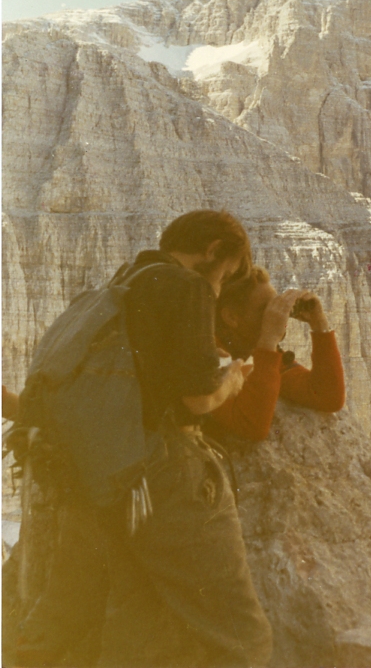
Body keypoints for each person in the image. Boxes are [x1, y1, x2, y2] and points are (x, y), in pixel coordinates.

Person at [5, 209, 275, 668]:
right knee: (240, 630)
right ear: (213, 251)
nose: (219, 286)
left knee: (72, 617)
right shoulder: (187, 286)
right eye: (227, 272)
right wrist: (232, 378)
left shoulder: (124, 283)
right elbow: (196, 398)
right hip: (160, 479)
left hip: (96, 476)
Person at [209, 265, 346, 443]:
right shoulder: (209, 356)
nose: (276, 315)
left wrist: (319, 324)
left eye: (275, 304)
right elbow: (251, 427)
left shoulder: (249, 349)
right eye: (264, 310)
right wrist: (268, 340)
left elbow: (327, 396)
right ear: (231, 318)